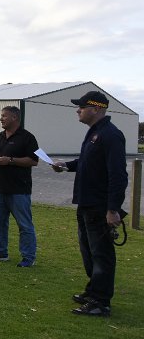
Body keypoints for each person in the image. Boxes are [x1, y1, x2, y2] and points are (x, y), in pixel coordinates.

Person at [52, 91, 127, 317]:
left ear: (95, 109)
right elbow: (86, 162)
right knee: (89, 251)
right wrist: (66, 165)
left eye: (82, 107)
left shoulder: (110, 135)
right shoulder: (94, 134)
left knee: (101, 253)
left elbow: (118, 175)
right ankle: (93, 290)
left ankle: (101, 302)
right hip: (86, 204)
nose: (78, 110)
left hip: (99, 206)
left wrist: (112, 209)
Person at [0, 106, 39, 267]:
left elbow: (34, 161)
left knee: (24, 225)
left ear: (14, 118)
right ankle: (0, 251)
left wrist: (11, 160)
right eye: (1, 116)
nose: (1, 119)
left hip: (19, 190)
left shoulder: (27, 137)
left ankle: (28, 257)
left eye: (4, 116)